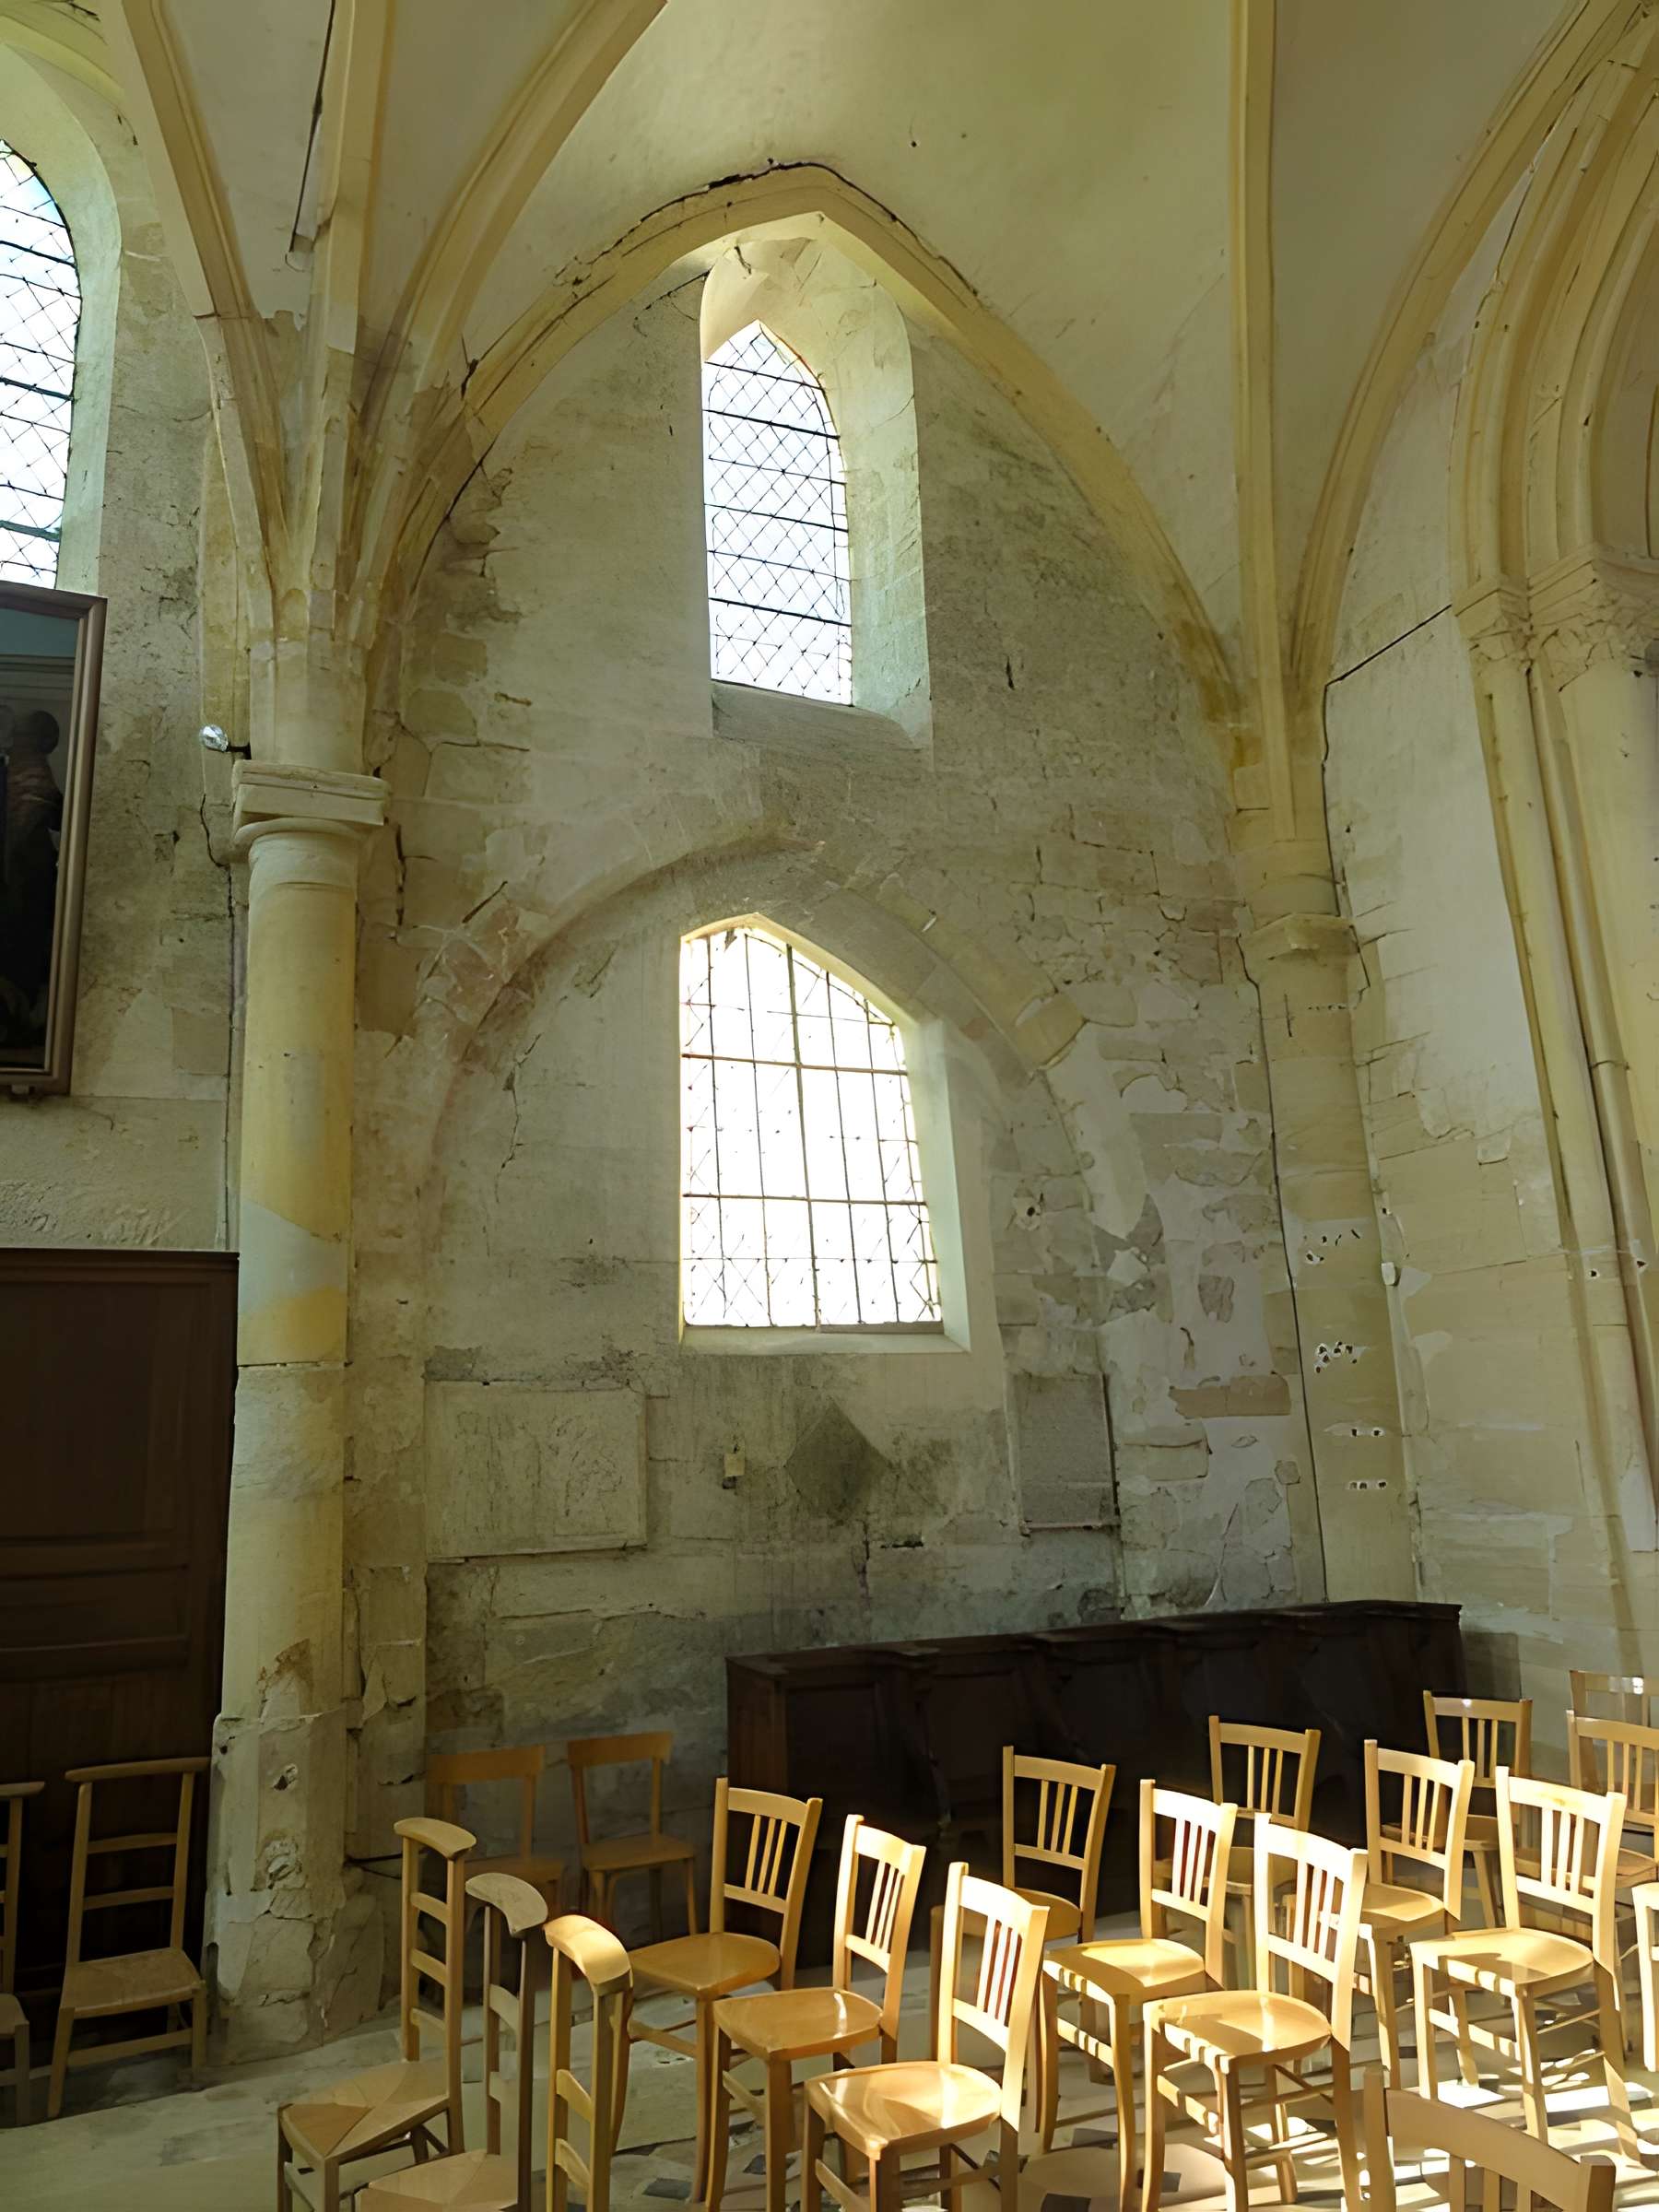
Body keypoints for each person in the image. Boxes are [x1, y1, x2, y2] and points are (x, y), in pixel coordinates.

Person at [0, 705, 64, 1049]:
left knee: (25, 940)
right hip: (22, 873)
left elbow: (40, 814)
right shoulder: (23, 767)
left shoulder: (30, 769)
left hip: (26, 873)